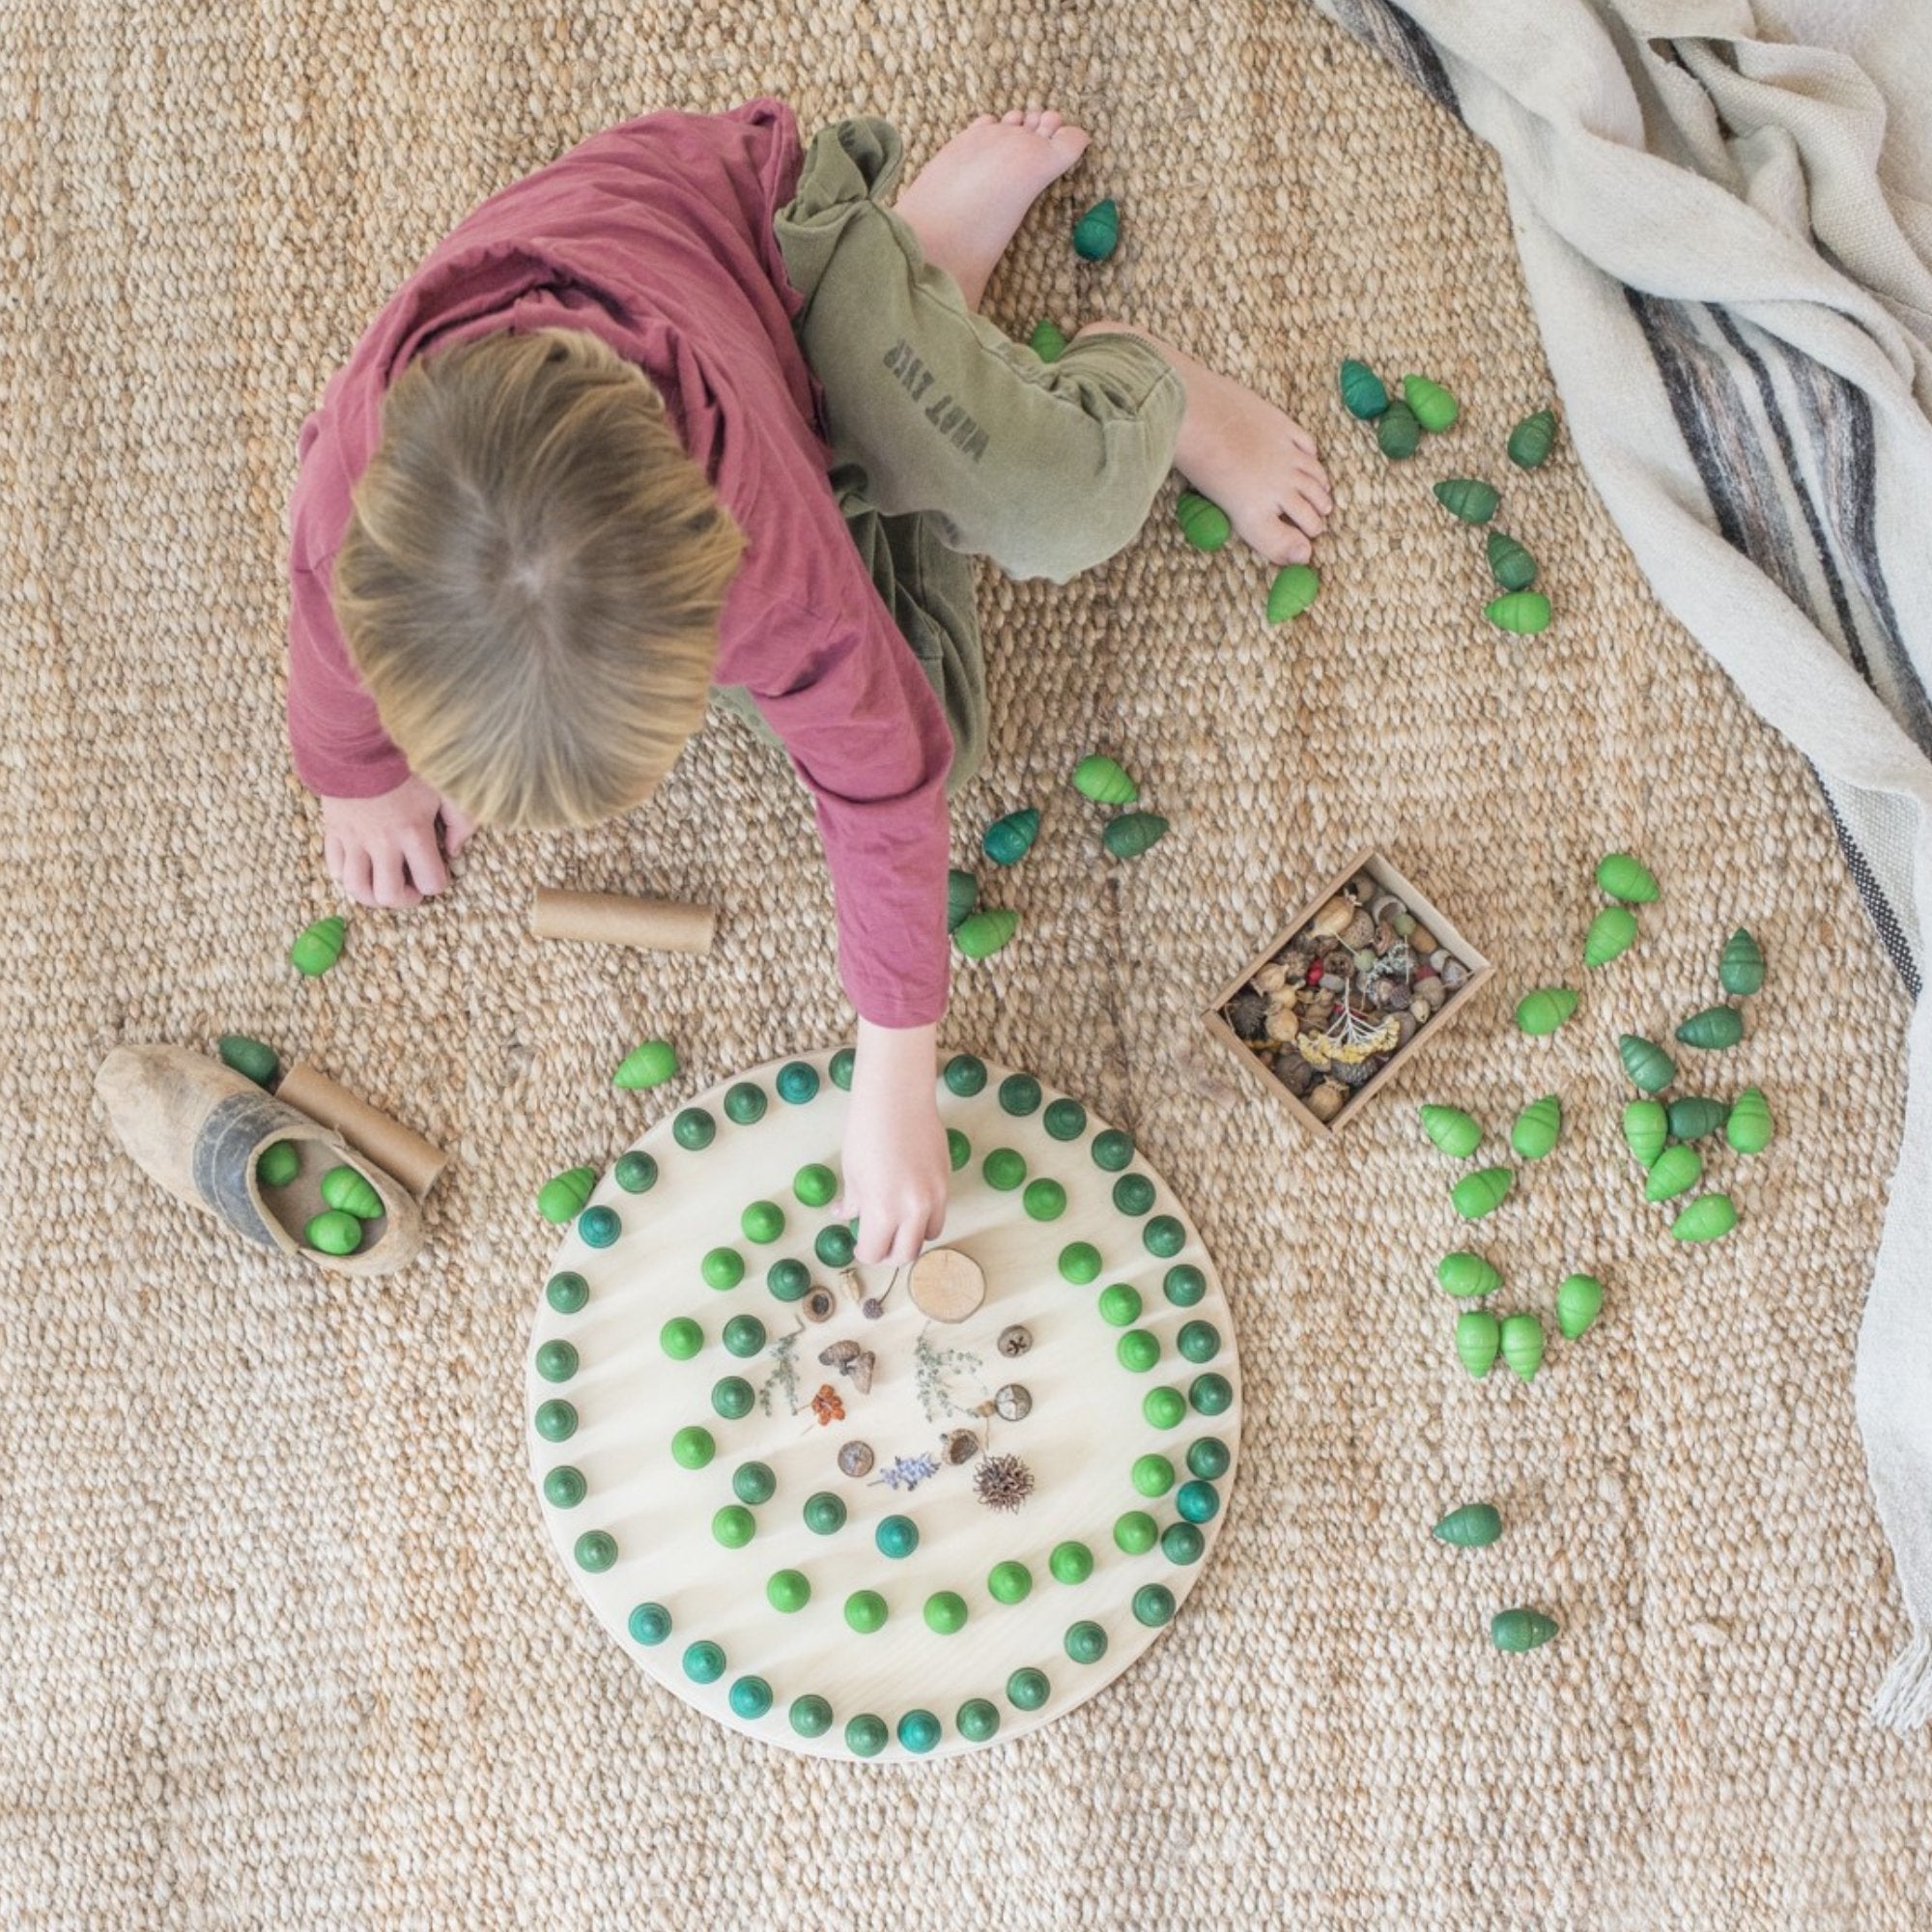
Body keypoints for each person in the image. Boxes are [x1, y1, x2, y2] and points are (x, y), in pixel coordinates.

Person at [285, 99, 1330, 1269]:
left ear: (712, 584)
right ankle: (924, 308)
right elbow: (327, 638)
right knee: (937, 704)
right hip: (693, 380)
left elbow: (883, 781)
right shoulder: (351, 499)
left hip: (777, 259)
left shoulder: (765, 550)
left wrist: (895, 1073)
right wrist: (359, 775)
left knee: (1057, 508)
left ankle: (1079, 354)